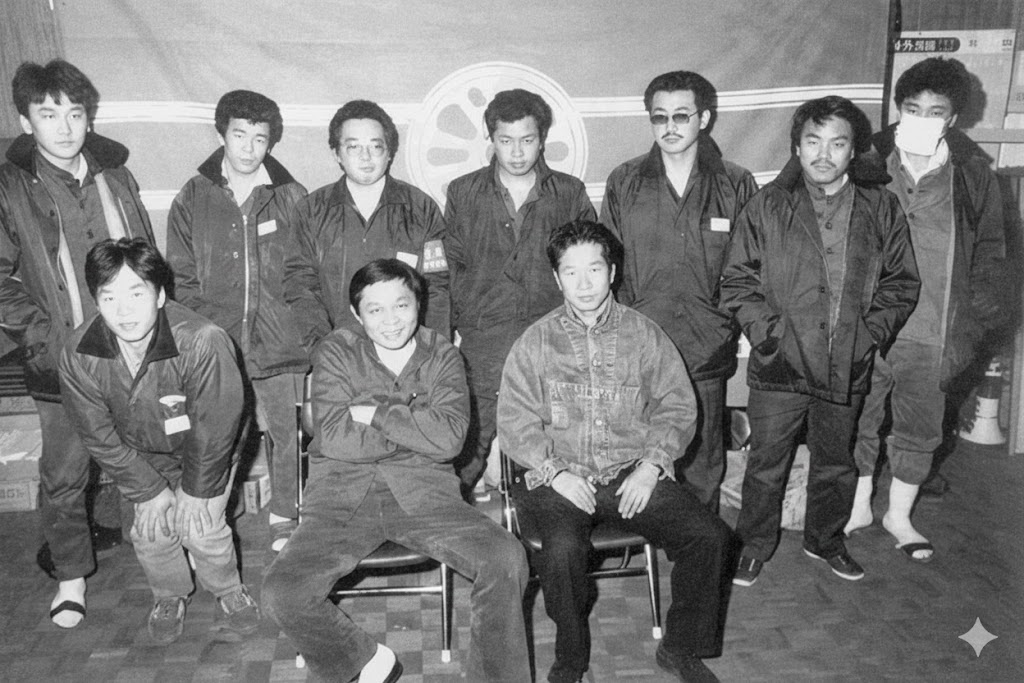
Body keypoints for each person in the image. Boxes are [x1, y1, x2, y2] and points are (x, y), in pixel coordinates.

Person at [263, 258, 530, 683]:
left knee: (507, 559)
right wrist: (415, 428)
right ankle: (364, 660)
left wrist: (376, 414)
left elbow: (450, 440)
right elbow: (334, 437)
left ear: (418, 304)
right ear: (357, 315)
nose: (391, 321)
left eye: (401, 306)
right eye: (376, 309)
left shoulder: (443, 354)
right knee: (281, 593)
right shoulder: (335, 351)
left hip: (426, 496)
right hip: (340, 499)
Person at [498, 220, 731, 683]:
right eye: (571, 272)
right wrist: (555, 472)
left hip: (629, 473)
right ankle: (571, 658)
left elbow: (677, 405)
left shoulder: (645, 334)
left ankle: (681, 647)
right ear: (557, 278)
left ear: (613, 271)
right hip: (557, 478)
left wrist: (651, 465)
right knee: (562, 552)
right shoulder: (535, 341)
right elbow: (514, 421)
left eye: (594, 269)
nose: (584, 284)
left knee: (710, 537)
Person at [721, 96, 920, 587]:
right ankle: (753, 545)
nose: (823, 154)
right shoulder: (768, 204)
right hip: (780, 363)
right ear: (797, 147)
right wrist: (770, 336)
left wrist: (868, 336)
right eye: (813, 142)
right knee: (766, 463)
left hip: (845, 363)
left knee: (836, 462)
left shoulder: (880, 206)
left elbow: (901, 283)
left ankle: (825, 540)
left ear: (854, 151)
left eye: (837, 143)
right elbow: (736, 281)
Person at [0, 59, 154, 628]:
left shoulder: (116, 175)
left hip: (131, 347)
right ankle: (70, 577)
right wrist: (44, 338)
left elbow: (146, 258)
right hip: (59, 356)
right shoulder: (9, 185)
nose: (64, 127)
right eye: (48, 114)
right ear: (26, 121)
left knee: (144, 454)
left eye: (74, 113)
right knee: (65, 474)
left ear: (89, 118)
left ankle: (156, 556)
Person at [845, 58, 1010, 561]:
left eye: (935, 112)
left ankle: (899, 516)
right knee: (858, 419)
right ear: (898, 110)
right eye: (912, 108)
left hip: (935, 330)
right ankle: (857, 508)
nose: (921, 118)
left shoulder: (974, 176)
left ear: (952, 119)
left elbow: (993, 255)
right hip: (869, 326)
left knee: (919, 428)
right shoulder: (864, 163)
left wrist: (976, 323)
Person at [58, 238, 259, 644]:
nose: (124, 310)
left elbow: (216, 428)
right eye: (109, 297)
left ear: (161, 295)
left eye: (136, 294)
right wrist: (148, 490)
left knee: (200, 527)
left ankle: (227, 588)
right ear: (96, 302)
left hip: (207, 451)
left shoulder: (202, 340)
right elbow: (97, 435)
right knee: (150, 531)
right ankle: (169, 594)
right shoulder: (78, 353)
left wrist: (195, 490)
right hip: (142, 456)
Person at [601, 71, 757, 511]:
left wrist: (722, 322)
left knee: (703, 460)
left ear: (703, 119)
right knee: (640, 454)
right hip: (641, 347)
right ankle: (646, 534)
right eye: (660, 117)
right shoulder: (625, 180)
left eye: (681, 116)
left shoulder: (735, 183)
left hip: (706, 346)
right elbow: (607, 265)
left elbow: (750, 267)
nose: (670, 127)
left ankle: (700, 540)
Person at [166, 90, 309, 552]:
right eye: (240, 135)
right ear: (222, 135)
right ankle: (209, 520)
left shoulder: (292, 196)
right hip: (218, 345)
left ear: (271, 142)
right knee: (217, 437)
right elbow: (180, 278)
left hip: (281, 344)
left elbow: (306, 271)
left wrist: (300, 328)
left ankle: (285, 516)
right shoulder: (193, 196)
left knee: (286, 435)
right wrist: (203, 336)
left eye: (260, 138)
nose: (249, 148)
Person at [444, 88, 595, 497]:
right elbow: (450, 268)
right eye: (505, 140)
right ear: (490, 138)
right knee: (468, 442)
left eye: (527, 140)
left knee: (557, 441)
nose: (516, 152)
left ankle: (549, 518)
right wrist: (464, 321)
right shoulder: (463, 192)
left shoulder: (568, 192)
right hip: (485, 339)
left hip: (552, 336)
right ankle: (451, 517)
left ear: (542, 139)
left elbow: (590, 265)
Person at [284, 99, 449, 353]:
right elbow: (300, 286)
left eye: (375, 146)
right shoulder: (311, 211)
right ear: (336, 153)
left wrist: (432, 355)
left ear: (390, 152)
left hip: (406, 355)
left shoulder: (420, 208)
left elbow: (437, 289)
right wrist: (324, 350)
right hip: (339, 355)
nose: (365, 157)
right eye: (353, 147)